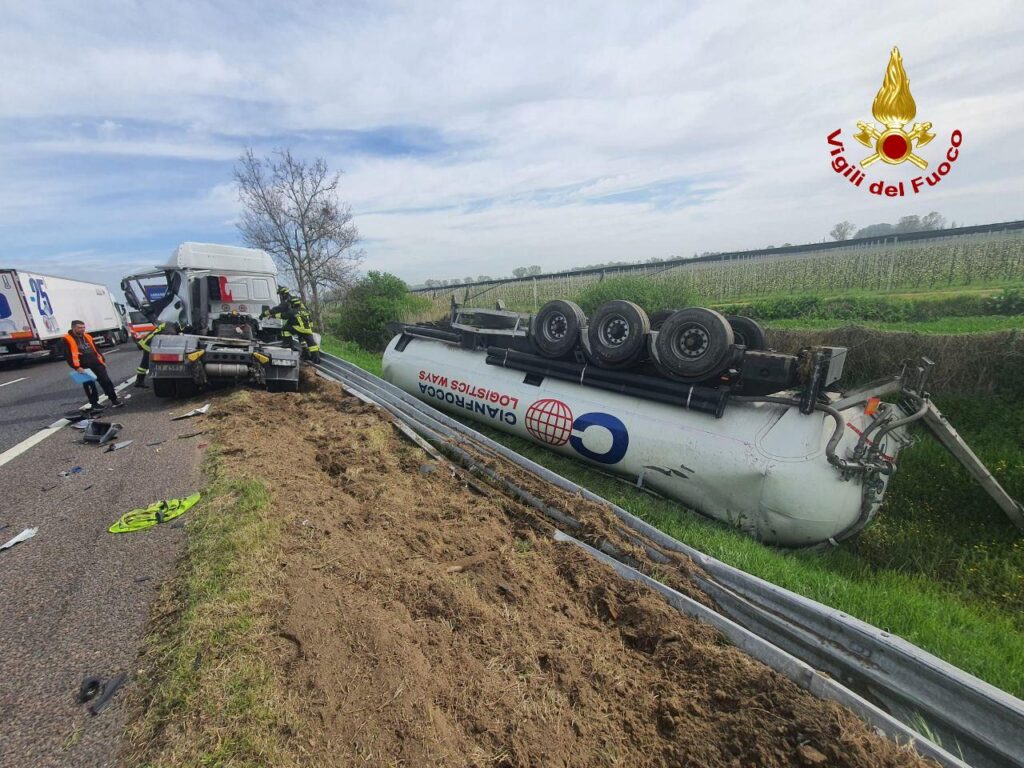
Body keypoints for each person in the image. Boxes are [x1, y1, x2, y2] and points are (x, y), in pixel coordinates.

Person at [64, 320, 124, 410]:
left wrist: (102, 361)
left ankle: (114, 400)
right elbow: (68, 355)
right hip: (83, 366)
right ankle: (94, 404)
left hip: (96, 363)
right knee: (89, 386)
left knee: (106, 382)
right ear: (73, 328)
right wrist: (76, 367)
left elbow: (96, 350)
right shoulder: (66, 339)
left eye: (83, 327)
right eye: (79, 328)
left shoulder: (88, 336)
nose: (82, 329)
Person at [134, 321, 176, 388]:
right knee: (145, 365)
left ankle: (139, 381)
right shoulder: (170, 327)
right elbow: (169, 334)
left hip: (148, 343)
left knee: (144, 365)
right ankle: (139, 381)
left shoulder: (168, 324)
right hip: (149, 345)